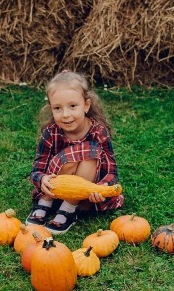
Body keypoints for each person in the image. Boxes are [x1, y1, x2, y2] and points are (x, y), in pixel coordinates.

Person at [27, 70, 124, 234]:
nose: (66, 115)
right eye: (57, 108)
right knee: (73, 155)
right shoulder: (51, 133)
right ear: (51, 109)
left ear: (86, 105)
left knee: (89, 151)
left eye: (73, 106)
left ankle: (69, 209)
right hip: (54, 190)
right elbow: (37, 170)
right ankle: (45, 202)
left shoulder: (98, 132)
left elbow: (112, 172)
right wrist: (42, 179)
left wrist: (101, 188)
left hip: (84, 195)